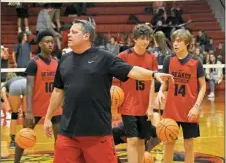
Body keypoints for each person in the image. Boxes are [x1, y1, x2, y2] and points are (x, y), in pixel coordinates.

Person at [43, 19, 173, 163]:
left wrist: (153, 74)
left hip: (97, 134)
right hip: (68, 134)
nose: (69, 35)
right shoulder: (64, 60)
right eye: (70, 32)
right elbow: (58, 91)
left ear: (86, 36)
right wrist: (48, 117)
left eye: (74, 32)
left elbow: (131, 70)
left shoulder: (104, 57)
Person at [156, 29, 206, 163]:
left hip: (189, 109)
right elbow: (165, 82)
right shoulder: (168, 60)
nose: (175, 44)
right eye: (174, 41)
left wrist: (196, 107)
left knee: (189, 144)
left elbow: (203, 86)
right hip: (172, 109)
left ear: (187, 43)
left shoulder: (196, 62)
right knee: (168, 143)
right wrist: (161, 90)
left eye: (179, 41)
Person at [14, 30, 62, 163]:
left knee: (60, 140)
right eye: (47, 42)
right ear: (40, 44)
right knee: (24, 136)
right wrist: (29, 111)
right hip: (35, 107)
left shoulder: (57, 62)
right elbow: (29, 87)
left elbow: (60, 85)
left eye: (52, 42)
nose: (50, 44)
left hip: (54, 106)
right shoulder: (33, 63)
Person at [117, 23, 158, 163]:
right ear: (134, 39)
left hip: (145, 106)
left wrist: (151, 107)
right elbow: (115, 82)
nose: (145, 41)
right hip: (128, 105)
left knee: (141, 141)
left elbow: (153, 83)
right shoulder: (123, 56)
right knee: (132, 140)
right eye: (142, 38)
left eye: (147, 39)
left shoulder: (152, 57)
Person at [1, 73, 26, 148]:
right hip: (27, 83)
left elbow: (3, 92)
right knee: (26, 114)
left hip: (15, 87)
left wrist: (8, 105)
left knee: (14, 115)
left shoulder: (7, 83)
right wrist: (22, 105)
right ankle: (26, 138)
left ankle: (12, 141)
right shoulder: (21, 77)